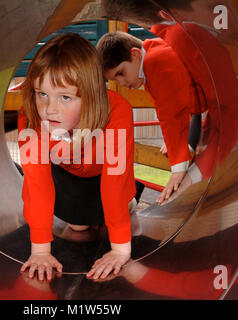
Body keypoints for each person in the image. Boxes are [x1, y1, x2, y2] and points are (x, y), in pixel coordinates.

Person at [17, 33, 144, 281]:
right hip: (68, 177)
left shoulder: (116, 112)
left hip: (105, 176)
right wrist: (40, 250)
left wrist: (120, 250)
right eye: (42, 94)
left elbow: (115, 179)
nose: (50, 108)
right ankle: (87, 216)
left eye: (65, 97)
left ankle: (127, 205)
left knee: (114, 218)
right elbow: (36, 183)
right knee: (78, 227)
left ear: (90, 96)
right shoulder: (31, 116)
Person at [97, 31, 206, 204]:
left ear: (135, 54)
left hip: (223, 102)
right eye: (115, 81)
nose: (122, 83)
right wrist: (182, 143)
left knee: (203, 167)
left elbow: (171, 115)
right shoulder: (152, 54)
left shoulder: (156, 62)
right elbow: (181, 103)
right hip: (202, 106)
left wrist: (178, 169)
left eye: (121, 73)